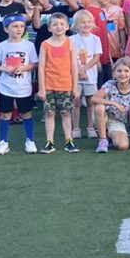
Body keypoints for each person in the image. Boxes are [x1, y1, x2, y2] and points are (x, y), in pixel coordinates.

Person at [0, 15, 39, 155]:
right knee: (5, 115)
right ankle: (3, 142)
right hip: (6, 87)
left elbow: (35, 63)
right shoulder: (2, 46)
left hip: (23, 87)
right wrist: (5, 69)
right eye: (15, 26)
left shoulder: (28, 45)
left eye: (21, 27)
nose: (19, 29)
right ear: (6, 29)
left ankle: (30, 140)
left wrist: (23, 68)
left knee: (26, 114)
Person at [36, 11, 79, 153]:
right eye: (55, 24)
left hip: (65, 84)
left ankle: (69, 141)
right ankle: (50, 141)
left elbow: (74, 66)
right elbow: (41, 67)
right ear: (49, 28)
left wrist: (75, 87)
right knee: (49, 113)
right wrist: (41, 88)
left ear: (67, 26)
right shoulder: (45, 45)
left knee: (66, 112)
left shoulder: (70, 43)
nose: (58, 27)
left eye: (61, 24)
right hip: (49, 85)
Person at [91, 56, 130, 152]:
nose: (122, 74)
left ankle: (109, 136)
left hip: (117, 121)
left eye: (126, 71)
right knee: (100, 107)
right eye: (119, 71)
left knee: (123, 146)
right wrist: (114, 104)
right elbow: (94, 98)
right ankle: (103, 140)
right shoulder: (110, 85)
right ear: (114, 73)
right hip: (103, 116)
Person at [71, 9, 103, 139]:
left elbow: (96, 58)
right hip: (76, 77)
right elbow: (71, 57)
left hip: (91, 76)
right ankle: (76, 128)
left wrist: (85, 69)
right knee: (76, 101)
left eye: (88, 22)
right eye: (82, 22)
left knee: (91, 102)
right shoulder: (72, 39)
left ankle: (91, 127)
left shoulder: (95, 39)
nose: (86, 25)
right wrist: (79, 70)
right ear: (76, 24)